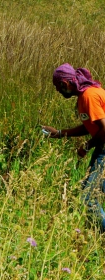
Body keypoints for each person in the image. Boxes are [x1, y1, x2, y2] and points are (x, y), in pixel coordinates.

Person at [43, 63, 105, 232]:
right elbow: (90, 126)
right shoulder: (85, 96)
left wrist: (87, 146)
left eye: (58, 87)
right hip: (102, 149)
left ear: (65, 83)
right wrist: (61, 133)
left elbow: (104, 128)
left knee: (89, 197)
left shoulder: (89, 96)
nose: (58, 91)